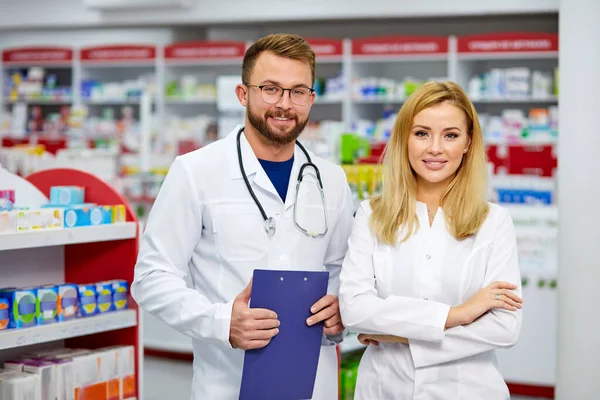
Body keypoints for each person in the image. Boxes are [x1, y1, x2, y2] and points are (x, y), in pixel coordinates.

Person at [131, 33, 355, 400]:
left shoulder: (331, 178)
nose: (284, 104)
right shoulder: (195, 171)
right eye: (270, 89)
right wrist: (221, 322)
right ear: (243, 93)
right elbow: (151, 278)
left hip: (314, 384)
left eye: (298, 91)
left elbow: (340, 270)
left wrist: (340, 307)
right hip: (226, 383)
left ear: (311, 99)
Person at [339, 81, 523, 400]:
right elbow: (354, 310)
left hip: (468, 390)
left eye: (450, 135)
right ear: (404, 140)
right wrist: (457, 315)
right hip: (385, 388)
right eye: (422, 133)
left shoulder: (494, 222)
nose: (434, 148)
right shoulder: (371, 214)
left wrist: (399, 336)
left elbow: (504, 328)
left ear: (467, 143)